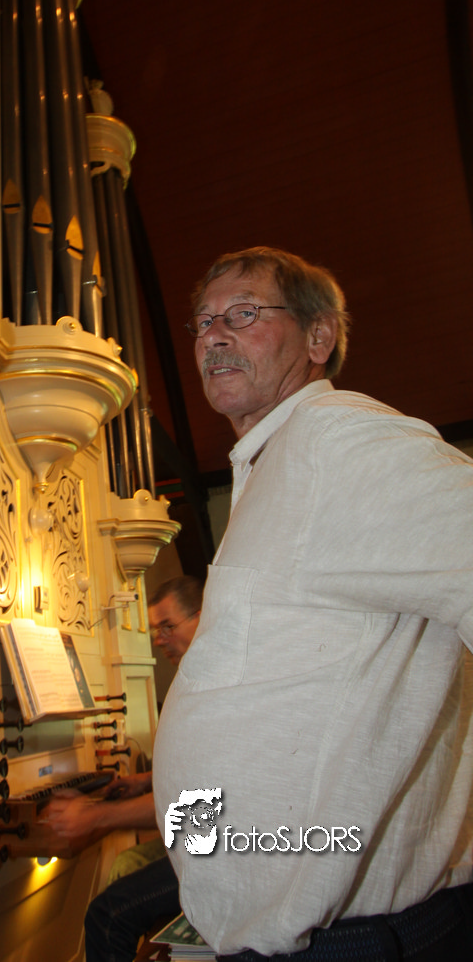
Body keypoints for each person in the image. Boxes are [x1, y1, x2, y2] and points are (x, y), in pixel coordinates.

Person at [153, 246, 473, 961]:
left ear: (318, 337)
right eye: (203, 322)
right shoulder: (273, 464)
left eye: (243, 314)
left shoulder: (335, 440)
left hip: (356, 941)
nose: (213, 336)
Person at [42, 576, 202, 961]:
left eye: (168, 626)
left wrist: (95, 816)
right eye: (156, 630)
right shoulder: (196, 678)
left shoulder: (209, 689)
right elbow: (191, 775)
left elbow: (192, 803)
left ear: (200, 617)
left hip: (218, 848)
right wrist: (144, 781)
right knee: (127, 865)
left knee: (108, 916)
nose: (159, 639)